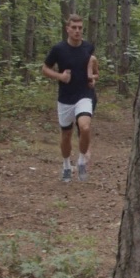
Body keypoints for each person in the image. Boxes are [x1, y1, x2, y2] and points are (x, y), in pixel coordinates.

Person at [42, 14, 98, 182]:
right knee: (66, 134)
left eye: (80, 28)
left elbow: (94, 70)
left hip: (84, 95)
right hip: (66, 97)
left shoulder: (88, 48)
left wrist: (92, 79)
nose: (77, 31)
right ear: (67, 29)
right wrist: (60, 77)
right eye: (74, 27)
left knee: (85, 127)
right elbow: (45, 68)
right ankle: (66, 164)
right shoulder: (58, 49)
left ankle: (81, 160)